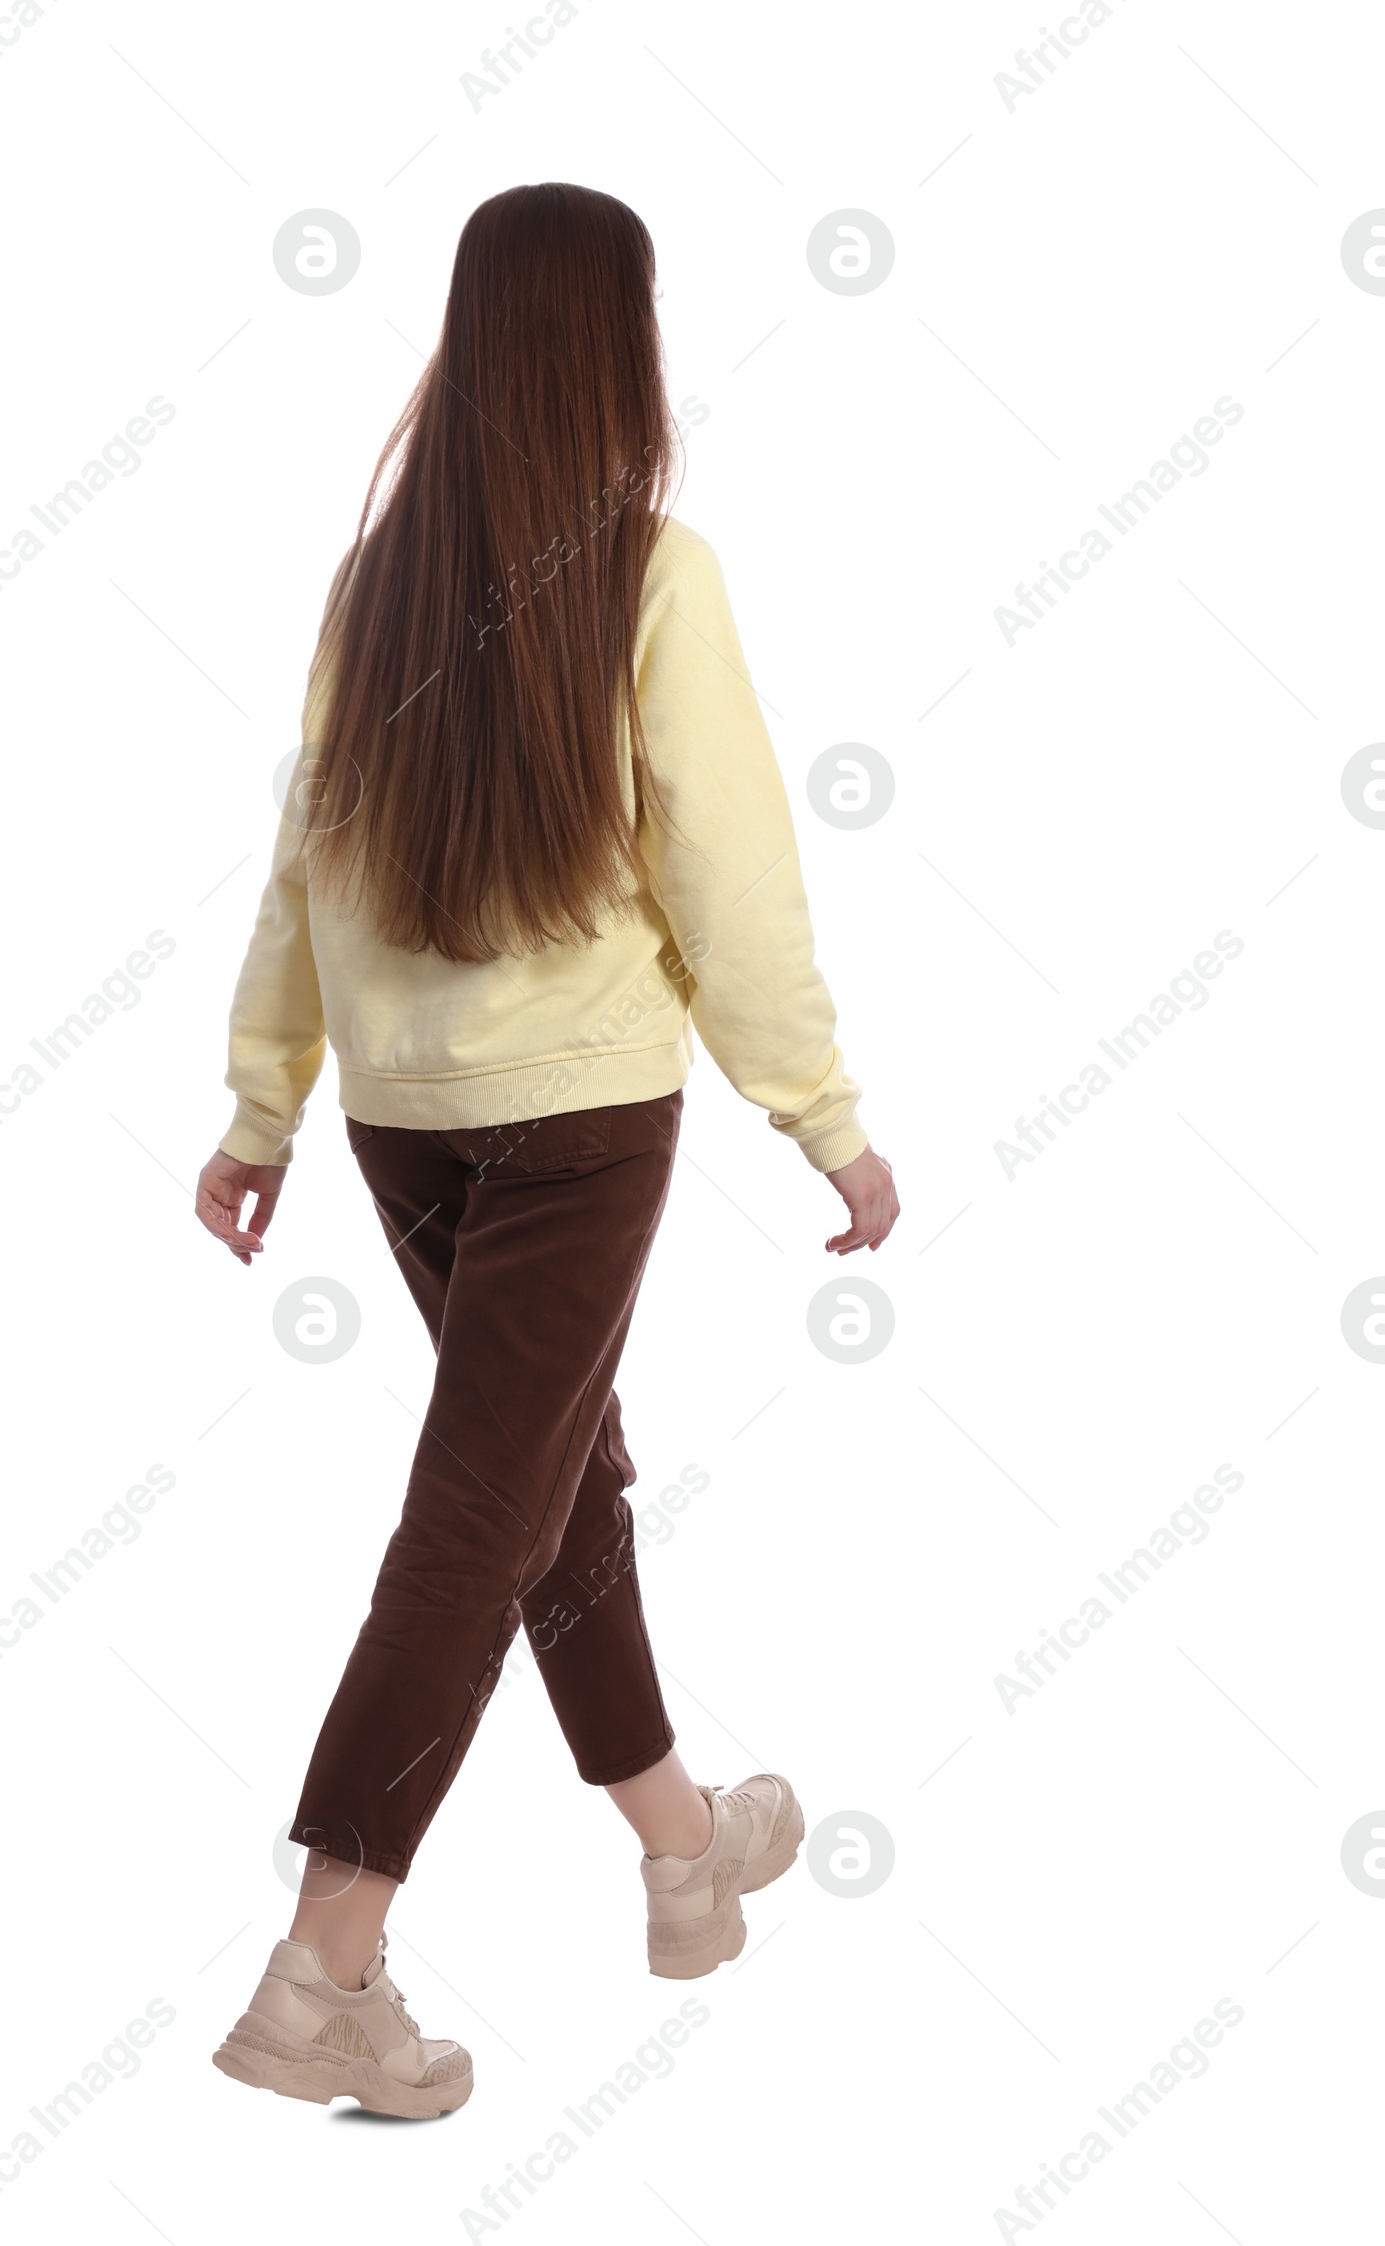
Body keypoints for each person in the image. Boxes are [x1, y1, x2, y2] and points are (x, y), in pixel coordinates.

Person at [195, 182, 899, 2119]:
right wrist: (824, 1122)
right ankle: (324, 1959)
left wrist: (262, 1107)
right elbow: (733, 888)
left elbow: (297, 863)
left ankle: (681, 1853)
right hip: (581, 1123)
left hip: (400, 1130)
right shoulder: (653, 577)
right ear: (616, 354)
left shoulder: (376, 585)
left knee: (543, 1473)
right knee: (479, 1513)